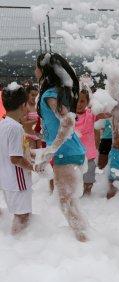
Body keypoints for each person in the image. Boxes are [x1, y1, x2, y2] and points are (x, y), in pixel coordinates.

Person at [36, 53, 88, 241]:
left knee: (66, 202)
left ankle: (84, 242)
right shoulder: (53, 93)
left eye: (37, 67)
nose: (35, 71)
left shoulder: (50, 94)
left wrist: (51, 150)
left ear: (43, 70)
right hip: (70, 151)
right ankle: (85, 239)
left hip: (66, 153)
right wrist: (41, 141)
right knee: (68, 202)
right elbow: (56, 128)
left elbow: (67, 123)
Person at [0, 84, 37, 234]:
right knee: (22, 216)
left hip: (6, 178)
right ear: (23, 106)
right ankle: (17, 243)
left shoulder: (3, 123)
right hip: (18, 181)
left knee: (17, 213)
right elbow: (15, 158)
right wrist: (33, 167)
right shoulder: (16, 128)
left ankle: (13, 244)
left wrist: (27, 145)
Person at [74, 88, 100, 195]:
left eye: (82, 101)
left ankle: (88, 193)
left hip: (89, 154)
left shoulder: (90, 114)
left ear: (87, 102)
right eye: (76, 101)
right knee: (75, 179)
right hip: (74, 155)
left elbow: (101, 114)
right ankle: (78, 194)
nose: (79, 104)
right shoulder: (69, 116)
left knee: (89, 179)